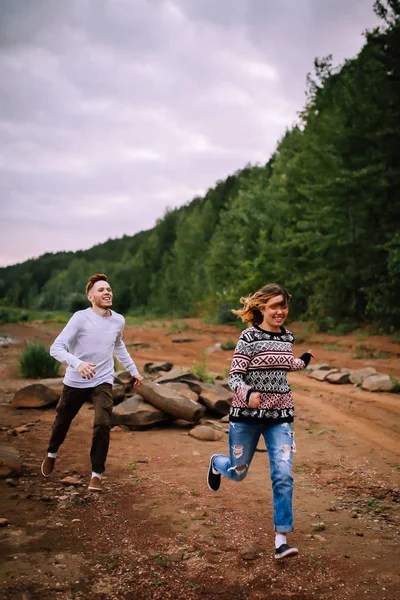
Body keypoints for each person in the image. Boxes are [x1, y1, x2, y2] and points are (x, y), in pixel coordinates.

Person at [207, 283, 314, 560]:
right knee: (238, 471)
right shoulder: (248, 336)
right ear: (262, 308)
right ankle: (217, 464)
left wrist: (302, 361)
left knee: (283, 473)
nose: (280, 311)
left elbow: (284, 363)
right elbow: (234, 377)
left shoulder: (286, 336)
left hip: (280, 417)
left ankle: (281, 539)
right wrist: (249, 392)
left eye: (284, 305)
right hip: (246, 417)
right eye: (275, 306)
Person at [41, 273, 143, 491]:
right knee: (62, 421)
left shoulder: (118, 320)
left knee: (103, 423)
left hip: (103, 379)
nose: (107, 292)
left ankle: (96, 473)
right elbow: (56, 348)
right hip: (76, 380)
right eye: (101, 290)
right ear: (90, 297)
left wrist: (134, 371)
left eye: (108, 289)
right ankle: (51, 452)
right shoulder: (80, 318)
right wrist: (78, 364)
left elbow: (118, 346)